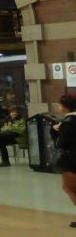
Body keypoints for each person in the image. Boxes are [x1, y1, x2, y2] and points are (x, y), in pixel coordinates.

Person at [52, 93, 76, 227]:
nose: (58, 106)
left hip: (71, 159)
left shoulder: (68, 122)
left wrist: (56, 131)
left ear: (66, 107)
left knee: (69, 187)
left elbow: (62, 143)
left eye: (60, 104)